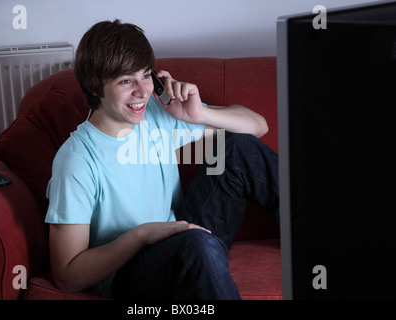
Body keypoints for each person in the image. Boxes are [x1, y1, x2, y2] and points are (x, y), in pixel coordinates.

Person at [45, 19, 279, 300]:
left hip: (183, 237)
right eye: (126, 81)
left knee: (239, 149)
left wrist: (196, 115)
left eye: (145, 75)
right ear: (94, 87)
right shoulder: (76, 160)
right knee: (197, 245)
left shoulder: (157, 113)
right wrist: (141, 235)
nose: (142, 92)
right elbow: (67, 276)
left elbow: (258, 126)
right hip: (130, 268)